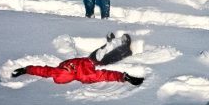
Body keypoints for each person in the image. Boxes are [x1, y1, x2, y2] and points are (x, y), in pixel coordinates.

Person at [11, 33, 144, 86]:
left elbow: (41, 70)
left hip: (88, 59)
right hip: (93, 64)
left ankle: (110, 43)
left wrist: (25, 69)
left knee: (96, 55)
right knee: (102, 58)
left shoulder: (55, 72)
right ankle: (124, 50)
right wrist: (125, 77)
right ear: (71, 75)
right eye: (68, 69)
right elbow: (106, 75)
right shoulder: (85, 76)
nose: (68, 66)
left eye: (64, 67)